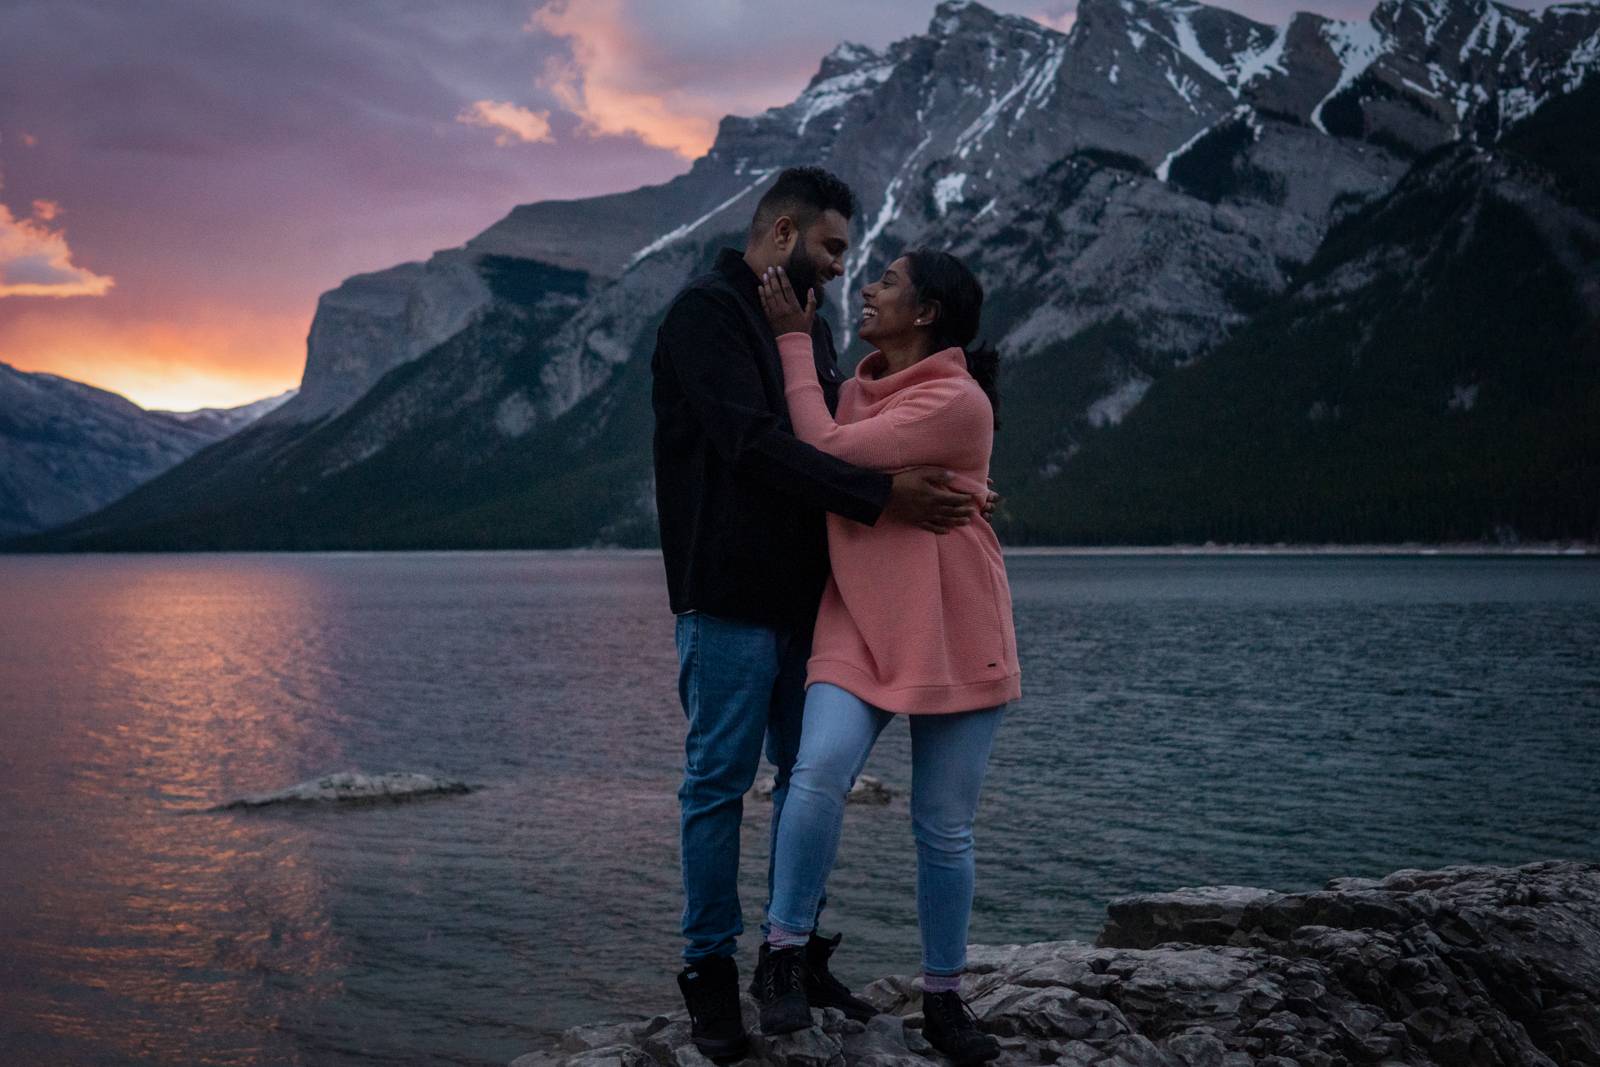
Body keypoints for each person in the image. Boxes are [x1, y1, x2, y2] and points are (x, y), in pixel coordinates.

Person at [650, 166, 996, 1061]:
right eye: (833, 247)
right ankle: (709, 976)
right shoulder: (707, 317)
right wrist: (891, 498)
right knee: (718, 786)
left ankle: (793, 957)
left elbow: (868, 437)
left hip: (810, 603)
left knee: (812, 779)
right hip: (725, 595)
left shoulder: (813, 326)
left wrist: (945, 489)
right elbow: (756, 446)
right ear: (780, 237)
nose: (845, 267)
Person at [749, 249, 1020, 1066]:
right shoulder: (862, 385)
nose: (866, 288)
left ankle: (944, 999)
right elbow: (827, 447)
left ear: (928, 312)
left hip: (955, 621)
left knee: (943, 829)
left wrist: (794, 338)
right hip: (858, 614)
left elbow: (825, 443)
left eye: (888, 281)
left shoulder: (957, 398)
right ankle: (782, 953)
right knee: (817, 768)